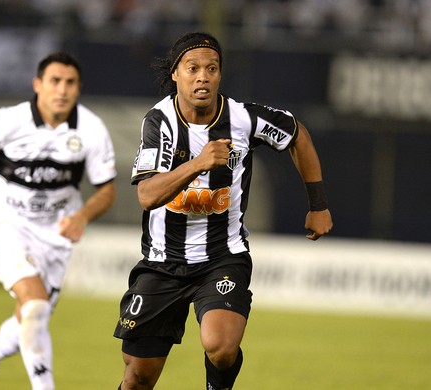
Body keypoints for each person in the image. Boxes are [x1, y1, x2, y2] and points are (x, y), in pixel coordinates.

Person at [114, 32, 333, 390]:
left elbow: (297, 134)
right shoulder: (159, 122)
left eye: (212, 68)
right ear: (175, 74)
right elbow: (147, 195)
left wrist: (318, 205)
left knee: (221, 347)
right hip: (161, 263)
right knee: (138, 375)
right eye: (193, 68)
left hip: (222, 257)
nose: (203, 76)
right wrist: (198, 163)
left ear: (220, 75)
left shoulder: (244, 119)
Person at [0, 52, 117, 390]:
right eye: (55, 81)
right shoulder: (9, 121)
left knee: (33, 314)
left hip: (57, 232)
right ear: (38, 85)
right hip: (7, 221)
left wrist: (82, 216)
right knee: (34, 302)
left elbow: (106, 191)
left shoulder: (91, 129)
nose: (62, 90)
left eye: (70, 83)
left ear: (78, 88)